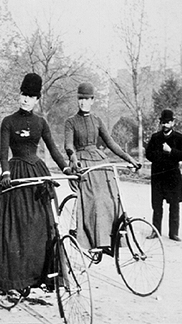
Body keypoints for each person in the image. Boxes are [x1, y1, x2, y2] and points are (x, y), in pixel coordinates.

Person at [0, 73, 72, 292]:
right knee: (20, 226)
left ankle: (43, 276)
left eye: (30, 96)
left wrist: (66, 168)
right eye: (23, 94)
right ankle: (19, 279)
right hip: (17, 173)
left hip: (38, 173)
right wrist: (5, 173)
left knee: (43, 225)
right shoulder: (8, 122)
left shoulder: (41, 123)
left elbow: (54, 149)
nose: (25, 99)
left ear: (37, 99)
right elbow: (2, 154)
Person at [64, 82, 140, 253]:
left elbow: (111, 142)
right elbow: (69, 145)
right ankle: (94, 241)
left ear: (92, 100)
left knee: (113, 197)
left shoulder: (97, 120)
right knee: (95, 200)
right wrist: (73, 158)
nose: (83, 102)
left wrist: (129, 158)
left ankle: (111, 240)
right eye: (80, 99)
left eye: (87, 99)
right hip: (82, 163)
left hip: (99, 161)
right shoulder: (70, 122)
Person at [146, 109, 182, 242]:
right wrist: (161, 154)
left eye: (168, 122)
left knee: (174, 206)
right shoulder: (155, 137)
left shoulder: (179, 138)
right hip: (158, 177)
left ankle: (174, 233)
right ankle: (156, 231)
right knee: (157, 205)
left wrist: (171, 151)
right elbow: (149, 154)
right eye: (163, 122)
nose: (165, 125)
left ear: (173, 123)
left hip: (173, 178)